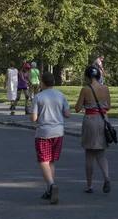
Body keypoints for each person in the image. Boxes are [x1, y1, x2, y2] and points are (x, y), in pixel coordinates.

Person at [30, 71, 70, 205]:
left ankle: (52, 185)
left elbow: (33, 118)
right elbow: (67, 113)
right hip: (58, 131)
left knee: (43, 160)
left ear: (42, 82)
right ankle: (50, 188)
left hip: (44, 132)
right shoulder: (61, 95)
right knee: (52, 160)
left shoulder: (38, 97)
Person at [75, 65, 111, 194]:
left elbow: (77, 108)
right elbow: (109, 106)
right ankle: (106, 177)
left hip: (90, 120)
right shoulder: (105, 88)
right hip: (103, 120)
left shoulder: (85, 89)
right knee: (101, 154)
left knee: (89, 154)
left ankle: (89, 185)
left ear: (87, 76)